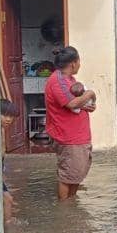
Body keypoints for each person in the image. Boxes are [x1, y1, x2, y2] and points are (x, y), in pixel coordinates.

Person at [44, 46, 96, 201]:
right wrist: (90, 93)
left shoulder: (69, 80)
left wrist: (88, 104)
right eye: (79, 62)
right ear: (73, 63)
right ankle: (64, 210)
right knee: (67, 177)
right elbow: (72, 104)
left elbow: (77, 104)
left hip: (77, 138)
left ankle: (70, 206)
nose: (80, 65)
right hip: (69, 138)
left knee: (75, 176)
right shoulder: (58, 80)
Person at [0, 99, 20, 222]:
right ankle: (8, 229)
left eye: (11, 117)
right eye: (5, 115)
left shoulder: (1, 130)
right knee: (8, 200)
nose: (8, 119)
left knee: (9, 200)